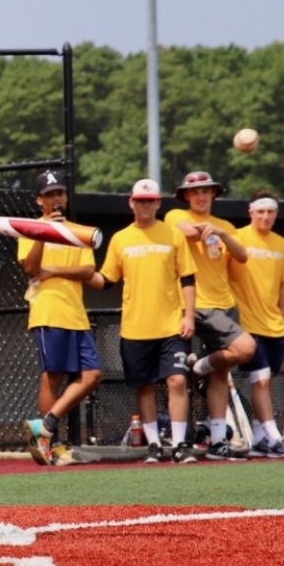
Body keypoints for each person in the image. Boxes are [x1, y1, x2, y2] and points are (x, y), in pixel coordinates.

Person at [87, 179, 196, 464]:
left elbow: (188, 278)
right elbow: (106, 279)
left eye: (150, 200)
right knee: (144, 387)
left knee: (176, 380)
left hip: (172, 325)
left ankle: (181, 444)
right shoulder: (121, 239)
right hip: (136, 328)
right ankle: (154, 446)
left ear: (158, 203)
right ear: (131, 203)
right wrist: (81, 272)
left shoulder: (173, 235)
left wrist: (188, 315)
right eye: (140, 200)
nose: (145, 205)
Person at [164, 171, 255, 460]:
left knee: (221, 372)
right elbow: (187, 232)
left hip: (225, 302)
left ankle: (218, 441)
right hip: (195, 304)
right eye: (195, 192)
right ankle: (201, 366)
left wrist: (222, 233)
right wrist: (203, 229)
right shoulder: (175, 215)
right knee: (246, 348)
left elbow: (242, 256)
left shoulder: (225, 225)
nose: (201, 196)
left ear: (214, 194)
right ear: (186, 196)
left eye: (206, 191)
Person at [18, 170, 102, 465]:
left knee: (92, 375)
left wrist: (53, 271)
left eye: (60, 193)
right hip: (48, 310)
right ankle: (48, 447)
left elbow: (88, 271)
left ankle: (47, 424)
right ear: (39, 200)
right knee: (51, 377)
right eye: (50, 194)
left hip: (75, 313)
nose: (56, 199)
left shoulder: (78, 230)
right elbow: (29, 268)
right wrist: (42, 234)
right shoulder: (28, 228)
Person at [227, 191, 284, 458]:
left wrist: (282, 322)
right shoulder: (236, 238)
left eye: (270, 211)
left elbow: (283, 286)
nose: (265, 216)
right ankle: (273, 438)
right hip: (247, 324)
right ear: (250, 212)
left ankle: (259, 438)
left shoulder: (281, 243)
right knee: (260, 380)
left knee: (266, 382)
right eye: (260, 211)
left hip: (273, 326)